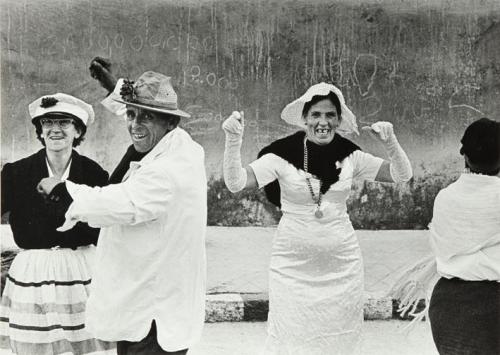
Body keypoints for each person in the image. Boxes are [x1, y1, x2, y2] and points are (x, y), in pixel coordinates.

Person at [222, 83, 413, 354]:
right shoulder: (280, 154)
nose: (323, 122)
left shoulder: (351, 155)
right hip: (292, 265)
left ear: (338, 119)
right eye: (316, 115)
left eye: (330, 115)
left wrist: (391, 143)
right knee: (291, 334)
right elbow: (235, 182)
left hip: (342, 265)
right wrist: (233, 140)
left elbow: (401, 175)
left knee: (341, 338)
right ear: (305, 118)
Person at [36, 59, 207, 355]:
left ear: (170, 122)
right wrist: (114, 85)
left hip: (153, 316)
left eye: (146, 118)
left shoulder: (165, 172)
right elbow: (141, 115)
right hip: (146, 305)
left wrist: (63, 191)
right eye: (131, 114)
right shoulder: (182, 145)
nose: (134, 125)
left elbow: (118, 203)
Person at [0, 93, 113, 354]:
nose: (55, 129)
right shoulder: (17, 172)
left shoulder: (94, 173)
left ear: (78, 130)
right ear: (40, 130)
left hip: (82, 271)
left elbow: (105, 227)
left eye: (64, 122)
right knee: (35, 347)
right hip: (33, 274)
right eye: (48, 123)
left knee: (86, 345)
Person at [426, 117, 500, 354]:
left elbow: (445, 252)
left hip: (447, 309)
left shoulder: (445, 197)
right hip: (493, 308)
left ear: (464, 155)